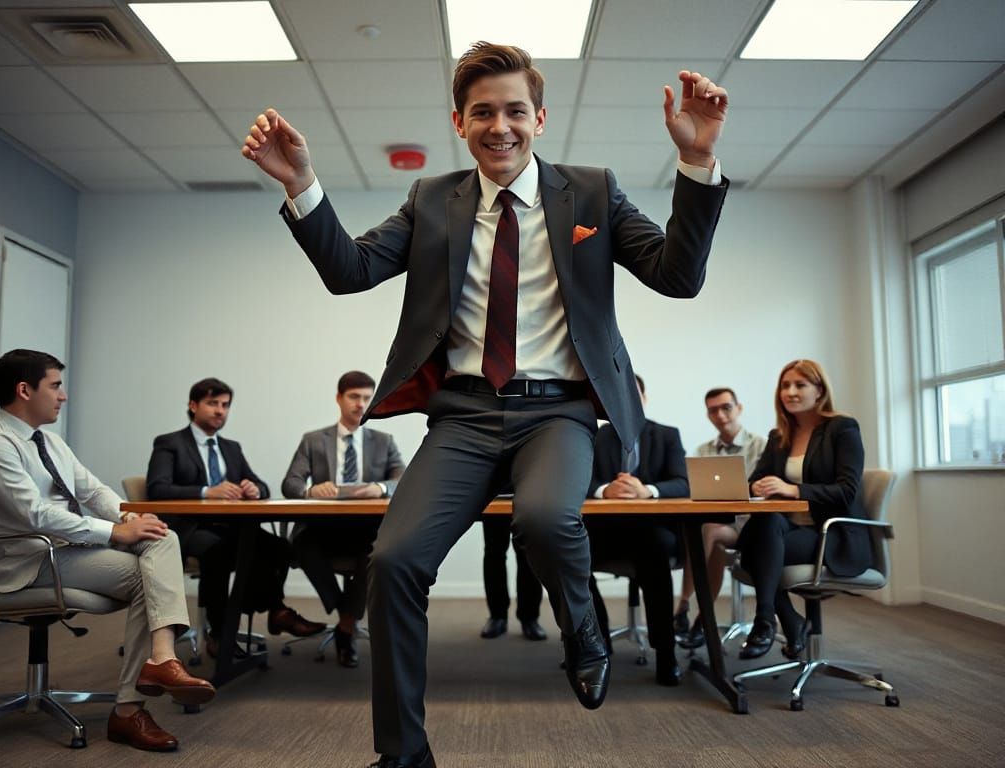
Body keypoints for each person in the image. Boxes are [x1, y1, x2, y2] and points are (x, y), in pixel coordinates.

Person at [243, 41, 728, 768]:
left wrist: (696, 163)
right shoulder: (434, 199)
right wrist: (304, 186)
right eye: (481, 113)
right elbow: (351, 272)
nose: (498, 126)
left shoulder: (591, 192)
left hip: (559, 411)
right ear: (458, 122)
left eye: (513, 111)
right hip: (464, 414)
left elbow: (678, 276)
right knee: (396, 561)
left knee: (542, 517)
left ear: (540, 117)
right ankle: (404, 755)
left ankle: (585, 628)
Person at [0, 349, 216, 752]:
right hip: (32, 560)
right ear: (24, 390)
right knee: (152, 572)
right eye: (55, 386)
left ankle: (158, 663)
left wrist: (126, 522)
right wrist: (114, 533)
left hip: (70, 550)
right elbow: (34, 515)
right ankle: (130, 708)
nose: (63, 395)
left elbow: (93, 490)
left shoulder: (49, 442)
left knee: (163, 539)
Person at [145, 377, 324, 658]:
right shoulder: (170, 443)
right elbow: (157, 489)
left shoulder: (231, 448)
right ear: (193, 406)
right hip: (190, 528)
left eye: (225, 405)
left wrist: (254, 489)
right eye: (212, 403)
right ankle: (220, 634)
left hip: (231, 525)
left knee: (280, 548)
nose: (220, 411)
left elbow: (261, 485)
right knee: (220, 552)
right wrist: (207, 491)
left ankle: (272, 610)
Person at [737, 359, 870, 661]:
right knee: (765, 526)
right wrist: (755, 487)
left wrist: (794, 489)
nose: (791, 392)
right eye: (785, 385)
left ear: (819, 390)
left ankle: (770, 621)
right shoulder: (780, 435)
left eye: (800, 385)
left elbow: (847, 490)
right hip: (787, 529)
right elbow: (754, 479)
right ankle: (778, 620)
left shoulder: (842, 428)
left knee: (754, 550)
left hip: (829, 533)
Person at [281, 370, 405, 667]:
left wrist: (381, 487)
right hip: (322, 526)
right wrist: (311, 490)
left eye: (366, 398)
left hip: (365, 527)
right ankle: (346, 615)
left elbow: (403, 477)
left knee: (375, 549)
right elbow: (290, 483)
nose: (361, 404)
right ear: (339, 398)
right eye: (354, 397)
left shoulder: (383, 440)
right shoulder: (313, 440)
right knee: (302, 544)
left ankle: (346, 624)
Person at [585, 374, 687, 686]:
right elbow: (577, 481)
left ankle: (665, 651)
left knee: (653, 548)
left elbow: (683, 483)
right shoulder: (593, 436)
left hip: (653, 532)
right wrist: (605, 491)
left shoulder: (667, 435)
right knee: (565, 550)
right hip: (606, 532)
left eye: (634, 395)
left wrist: (648, 491)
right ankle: (595, 640)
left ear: (644, 399)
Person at [674, 387, 767, 648]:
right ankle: (702, 619)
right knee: (707, 532)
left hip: (748, 525)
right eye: (713, 410)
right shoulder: (703, 451)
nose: (720, 414)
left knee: (708, 531)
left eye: (726, 407)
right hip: (713, 523)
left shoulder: (761, 446)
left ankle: (683, 606)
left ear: (739, 408)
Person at [479, 515, 545, 640]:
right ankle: (497, 616)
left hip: (528, 499)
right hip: (494, 498)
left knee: (528, 553)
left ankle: (530, 618)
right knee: (494, 552)